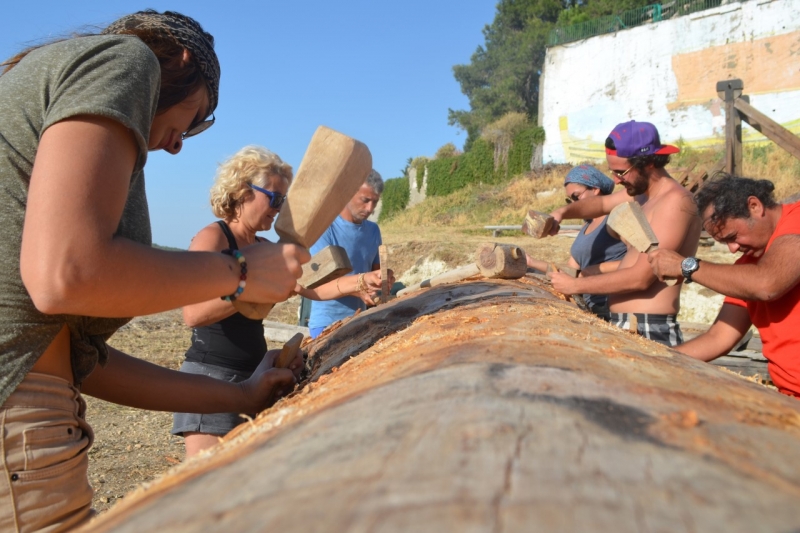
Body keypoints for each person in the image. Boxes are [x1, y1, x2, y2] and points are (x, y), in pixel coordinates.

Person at [0, 11, 308, 531]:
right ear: (181, 61)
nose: (178, 142)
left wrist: (238, 396)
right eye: (198, 117)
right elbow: (64, 275)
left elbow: (84, 363)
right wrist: (236, 273)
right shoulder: (126, 59)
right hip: (20, 422)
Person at [173, 146, 305, 458]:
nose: (278, 208)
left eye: (283, 201)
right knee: (207, 488)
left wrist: (357, 283)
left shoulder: (263, 247)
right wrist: (248, 285)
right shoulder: (213, 238)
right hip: (211, 379)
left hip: (255, 376)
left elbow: (307, 283)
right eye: (274, 198)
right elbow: (193, 313)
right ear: (243, 192)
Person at [546, 120, 702, 346]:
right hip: (627, 324)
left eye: (621, 172)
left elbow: (641, 278)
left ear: (648, 163)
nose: (616, 179)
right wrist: (561, 212)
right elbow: (600, 205)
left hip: (649, 329)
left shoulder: (675, 203)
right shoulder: (642, 195)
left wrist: (575, 285)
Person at [648, 175, 800, 398]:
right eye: (724, 242)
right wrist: (652, 359)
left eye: (733, 236)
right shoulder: (747, 268)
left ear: (755, 206)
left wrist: (686, 266)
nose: (732, 248)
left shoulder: (796, 221)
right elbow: (719, 337)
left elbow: (767, 284)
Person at [298, 170, 395, 338]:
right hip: (327, 324)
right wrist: (360, 285)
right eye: (365, 200)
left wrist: (383, 280)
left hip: (361, 321)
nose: (370, 209)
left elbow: (375, 273)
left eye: (375, 202)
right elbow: (315, 283)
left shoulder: (373, 231)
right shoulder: (324, 228)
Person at [526, 165, 627, 317]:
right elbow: (570, 273)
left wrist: (594, 270)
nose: (573, 203)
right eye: (569, 200)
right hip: (589, 306)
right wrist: (530, 262)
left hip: (610, 306)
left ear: (595, 189)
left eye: (576, 196)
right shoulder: (586, 227)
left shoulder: (617, 217)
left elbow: (639, 262)